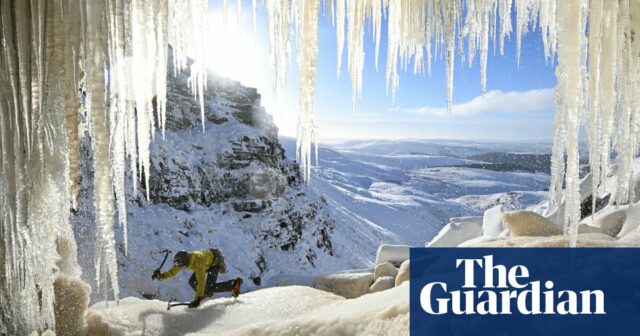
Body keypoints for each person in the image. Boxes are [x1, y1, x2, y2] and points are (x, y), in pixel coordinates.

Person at [152, 249, 243, 308]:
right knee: (192, 281)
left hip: (215, 262)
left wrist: (198, 299)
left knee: (209, 287)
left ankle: (234, 283)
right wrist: (161, 276)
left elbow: (201, 281)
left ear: (185, 262)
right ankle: (204, 294)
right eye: (178, 265)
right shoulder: (182, 260)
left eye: (180, 265)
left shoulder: (197, 262)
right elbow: (173, 271)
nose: (179, 267)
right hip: (207, 261)